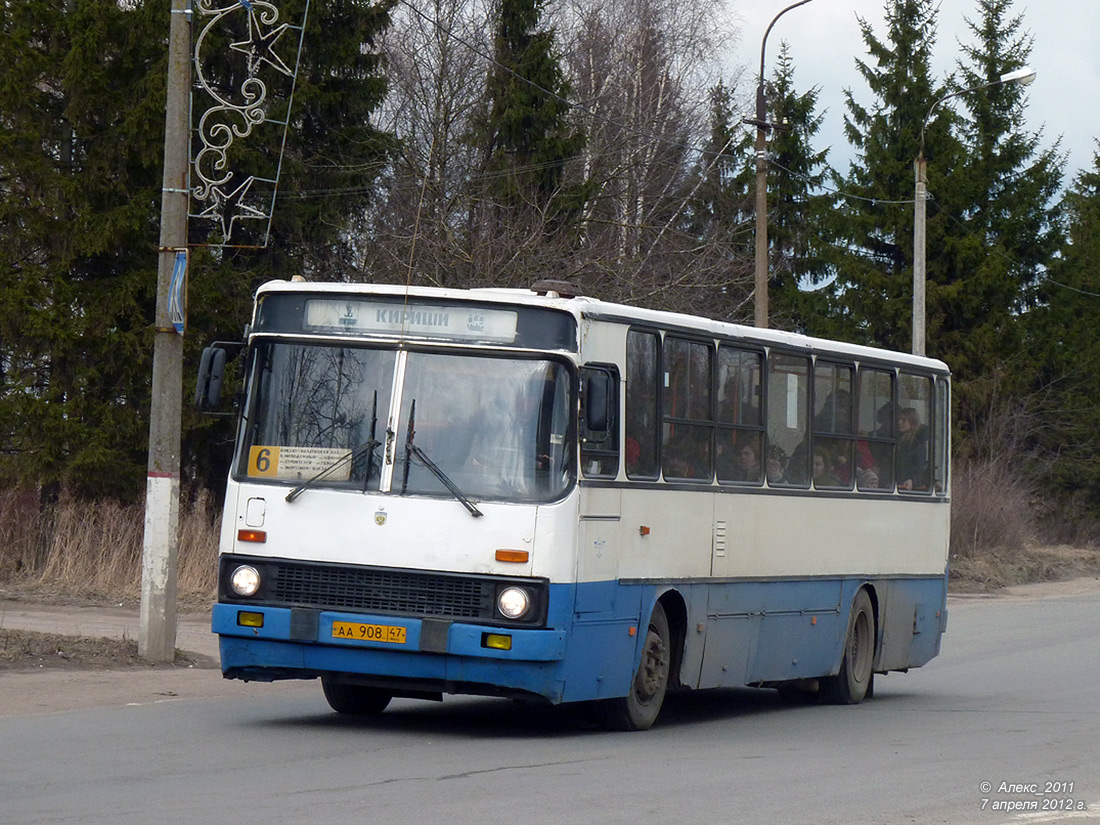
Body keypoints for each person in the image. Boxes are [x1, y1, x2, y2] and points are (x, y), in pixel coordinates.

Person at [895, 407, 930, 490]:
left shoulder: (919, 441)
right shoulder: (901, 438)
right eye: (899, 419)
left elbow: (919, 464)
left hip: (911, 484)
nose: (899, 423)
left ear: (912, 421)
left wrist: (912, 480)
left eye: (903, 420)